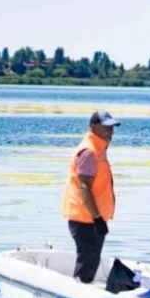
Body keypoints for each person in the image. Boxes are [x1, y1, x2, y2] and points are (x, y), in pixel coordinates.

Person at [61, 110, 120, 283]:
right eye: (107, 127)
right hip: (85, 219)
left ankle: (80, 294)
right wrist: (97, 218)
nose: (111, 131)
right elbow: (83, 186)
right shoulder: (89, 151)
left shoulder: (98, 149)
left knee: (91, 261)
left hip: (93, 218)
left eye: (112, 127)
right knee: (87, 263)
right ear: (93, 127)